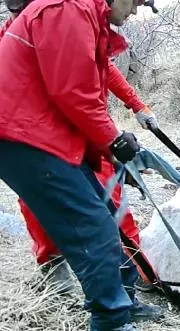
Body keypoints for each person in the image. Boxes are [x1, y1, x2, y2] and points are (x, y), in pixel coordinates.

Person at [0, 0, 163, 329]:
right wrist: (112, 140)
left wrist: (110, 151)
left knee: (107, 214)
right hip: (22, 135)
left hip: (38, 131)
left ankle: (124, 300)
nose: (135, 11)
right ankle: (111, 321)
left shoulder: (84, 15)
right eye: (136, 1)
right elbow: (73, 93)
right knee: (94, 227)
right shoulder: (67, 8)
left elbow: (76, 91)